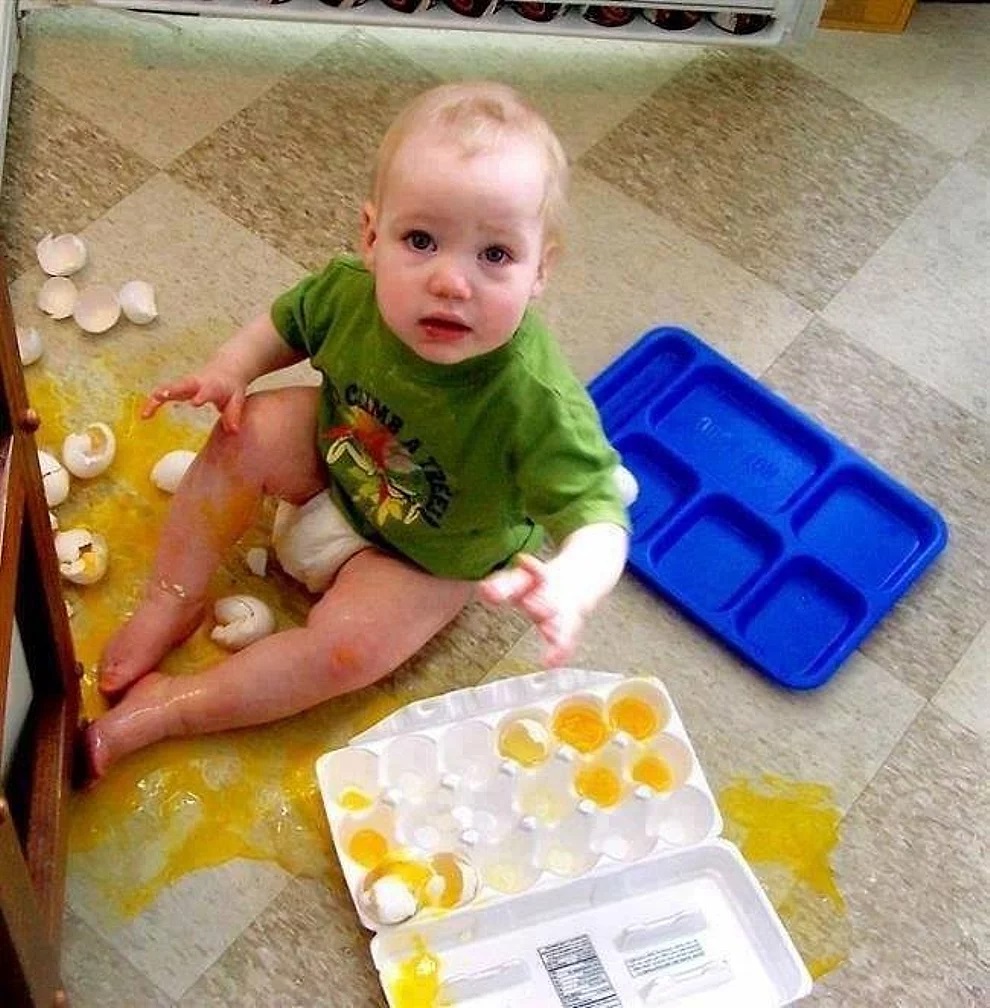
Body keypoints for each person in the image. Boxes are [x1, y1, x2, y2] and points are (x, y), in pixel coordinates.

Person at [83, 81, 629, 780]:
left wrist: (574, 581)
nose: (451, 282)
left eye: (494, 255)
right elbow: (285, 326)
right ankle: (172, 599)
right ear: (371, 237)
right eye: (421, 240)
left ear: (540, 271)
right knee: (241, 431)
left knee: (348, 652)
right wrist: (231, 369)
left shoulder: (537, 398)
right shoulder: (350, 292)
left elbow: (600, 515)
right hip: (342, 444)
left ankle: (175, 705)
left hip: (432, 551)